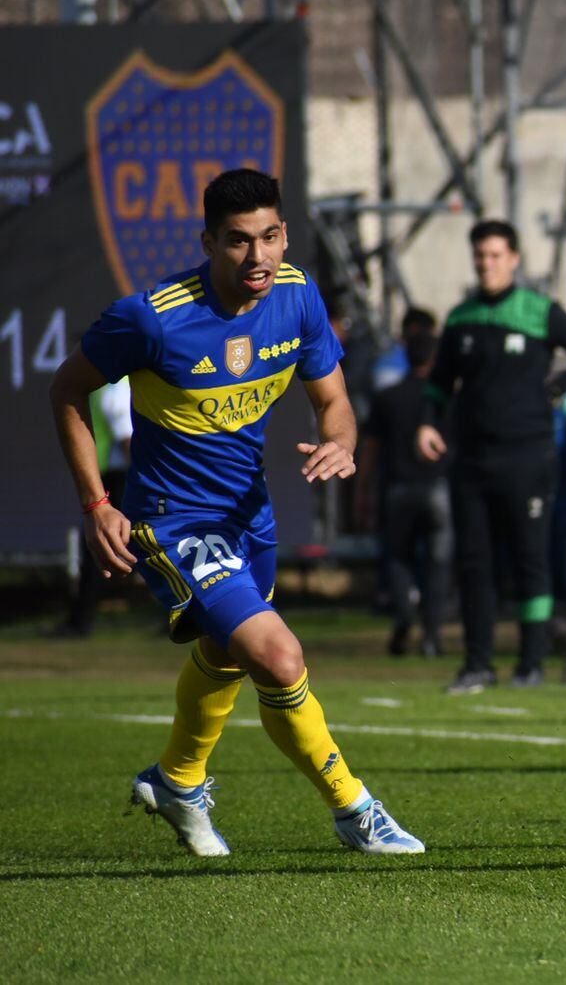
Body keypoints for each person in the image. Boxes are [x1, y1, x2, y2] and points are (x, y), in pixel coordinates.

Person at [47, 168, 423, 856]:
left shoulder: (298, 296)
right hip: (174, 518)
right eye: (239, 242)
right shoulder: (153, 318)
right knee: (279, 658)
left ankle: (178, 779)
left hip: (251, 515)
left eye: (271, 237)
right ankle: (355, 809)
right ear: (209, 243)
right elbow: (67, 391)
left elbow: (335, 404)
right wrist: (97, 503)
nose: (259, 257)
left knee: (225, 652)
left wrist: (342, 443)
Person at [418, 220, 566, 694]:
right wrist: (427, 421)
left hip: (528, 456)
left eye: (496, 255)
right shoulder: (461, 317)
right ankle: (477, 664)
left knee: (530, 560)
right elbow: (439, 383)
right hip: (472, 460)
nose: (487, 264)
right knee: (475, 563)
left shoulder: (538, 311)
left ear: (515, 258)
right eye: (480, 256)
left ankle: (531, 664)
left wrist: (561, 386)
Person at [360, 328, 451, 658]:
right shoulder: (444, 398)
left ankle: (403, 613)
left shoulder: (388, 397)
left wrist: (363, 490)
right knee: (438, 563)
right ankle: (432, 632)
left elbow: (371, 448)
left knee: (398, 557)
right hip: (438, 488)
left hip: (399, 488)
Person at [52, 368, 132, 638]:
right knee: (102, 548)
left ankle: (80, 621)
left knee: (102, 547)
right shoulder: (110, 385)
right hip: (111, 476)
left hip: (123, 478)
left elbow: (126, 437)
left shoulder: (115, 386)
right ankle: (80, 620)